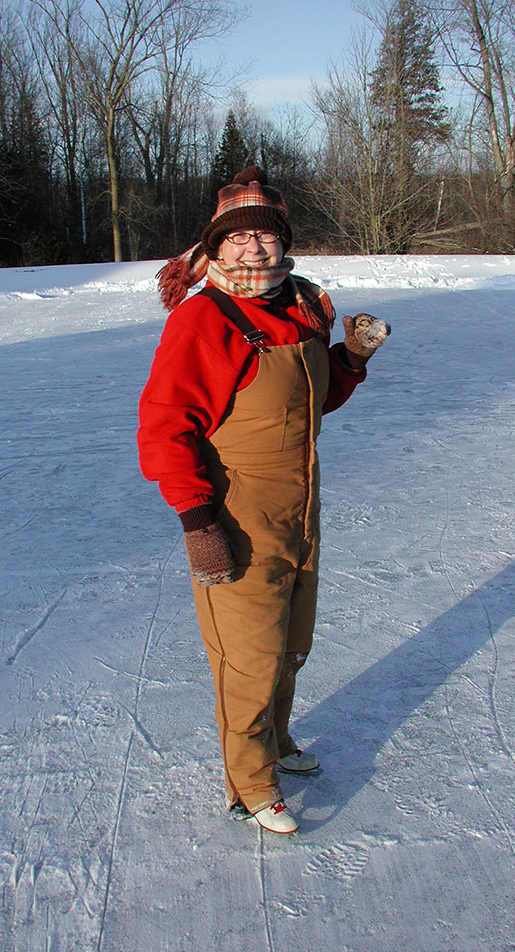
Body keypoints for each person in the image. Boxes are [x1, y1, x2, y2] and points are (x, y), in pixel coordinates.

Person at [137, 166, 389, 834]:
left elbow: (309, 407)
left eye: (266, 235)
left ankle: (276, 741)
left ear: (283, 242)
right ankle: (250, 784)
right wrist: (197, 520)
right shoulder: (203, 321)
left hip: (299, 509)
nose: (254, 248)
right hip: (236, 515)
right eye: (238, 237)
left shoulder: (298, 309)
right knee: (247, 654)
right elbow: (165, 427)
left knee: (290, 643)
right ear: (216, 250)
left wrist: (351, 358)